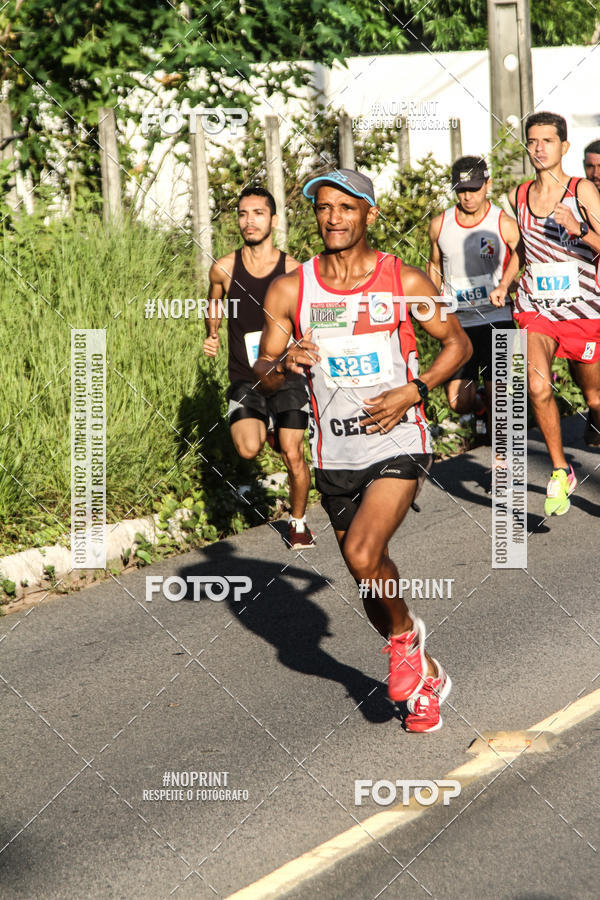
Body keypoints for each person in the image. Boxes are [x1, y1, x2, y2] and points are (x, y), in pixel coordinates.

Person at [254, 168, 472, 733]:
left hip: (399, 438)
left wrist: (415, 390)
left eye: (346, 208)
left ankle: (404, 642)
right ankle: (423, 672)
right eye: (324, 208)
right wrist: (285, 364)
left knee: (362, 553)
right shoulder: (291, 288)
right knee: (370, 578)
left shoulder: (404, 281)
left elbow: (457, 343)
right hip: (334, 454)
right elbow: (264, 373)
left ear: (369, 214)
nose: (333, 218)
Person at [490, 112, 600, 516]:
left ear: (564, 147)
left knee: (595, 396)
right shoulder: (519, 195)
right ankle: (559, 470)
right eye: (532, 141)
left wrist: (578, 227)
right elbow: (523, 248)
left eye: (547, 141)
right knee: (538, 387)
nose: (538, 148)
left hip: (585, 310)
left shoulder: (581, 190)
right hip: (536, 308)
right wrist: (506, 282)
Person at [203, 185, 315, 549]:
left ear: (273, 220)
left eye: (258, 213)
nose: (249, 221)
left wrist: (303, 348)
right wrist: (213, 333)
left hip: (286, 376)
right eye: (242, 214)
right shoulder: (223, 267)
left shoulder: (294, 270)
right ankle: (265, 425)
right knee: (248, 449)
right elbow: (214, 301)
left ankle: (298, 523)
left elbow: (309, 321)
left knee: (292, 452)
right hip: (244, 378)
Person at [428, 156, 520, 442]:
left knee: (501, 400)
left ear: (487, 185)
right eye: (461, 190)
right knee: (458, 401)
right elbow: (433, 266)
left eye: (474, 189)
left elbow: (523, 258)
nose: (467, 197)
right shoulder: (440, 224)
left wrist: (505, 285)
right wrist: (434, 304)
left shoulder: (503, 223)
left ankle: (500, 467)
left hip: (497, 317)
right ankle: (479, 408)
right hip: (459, 322)